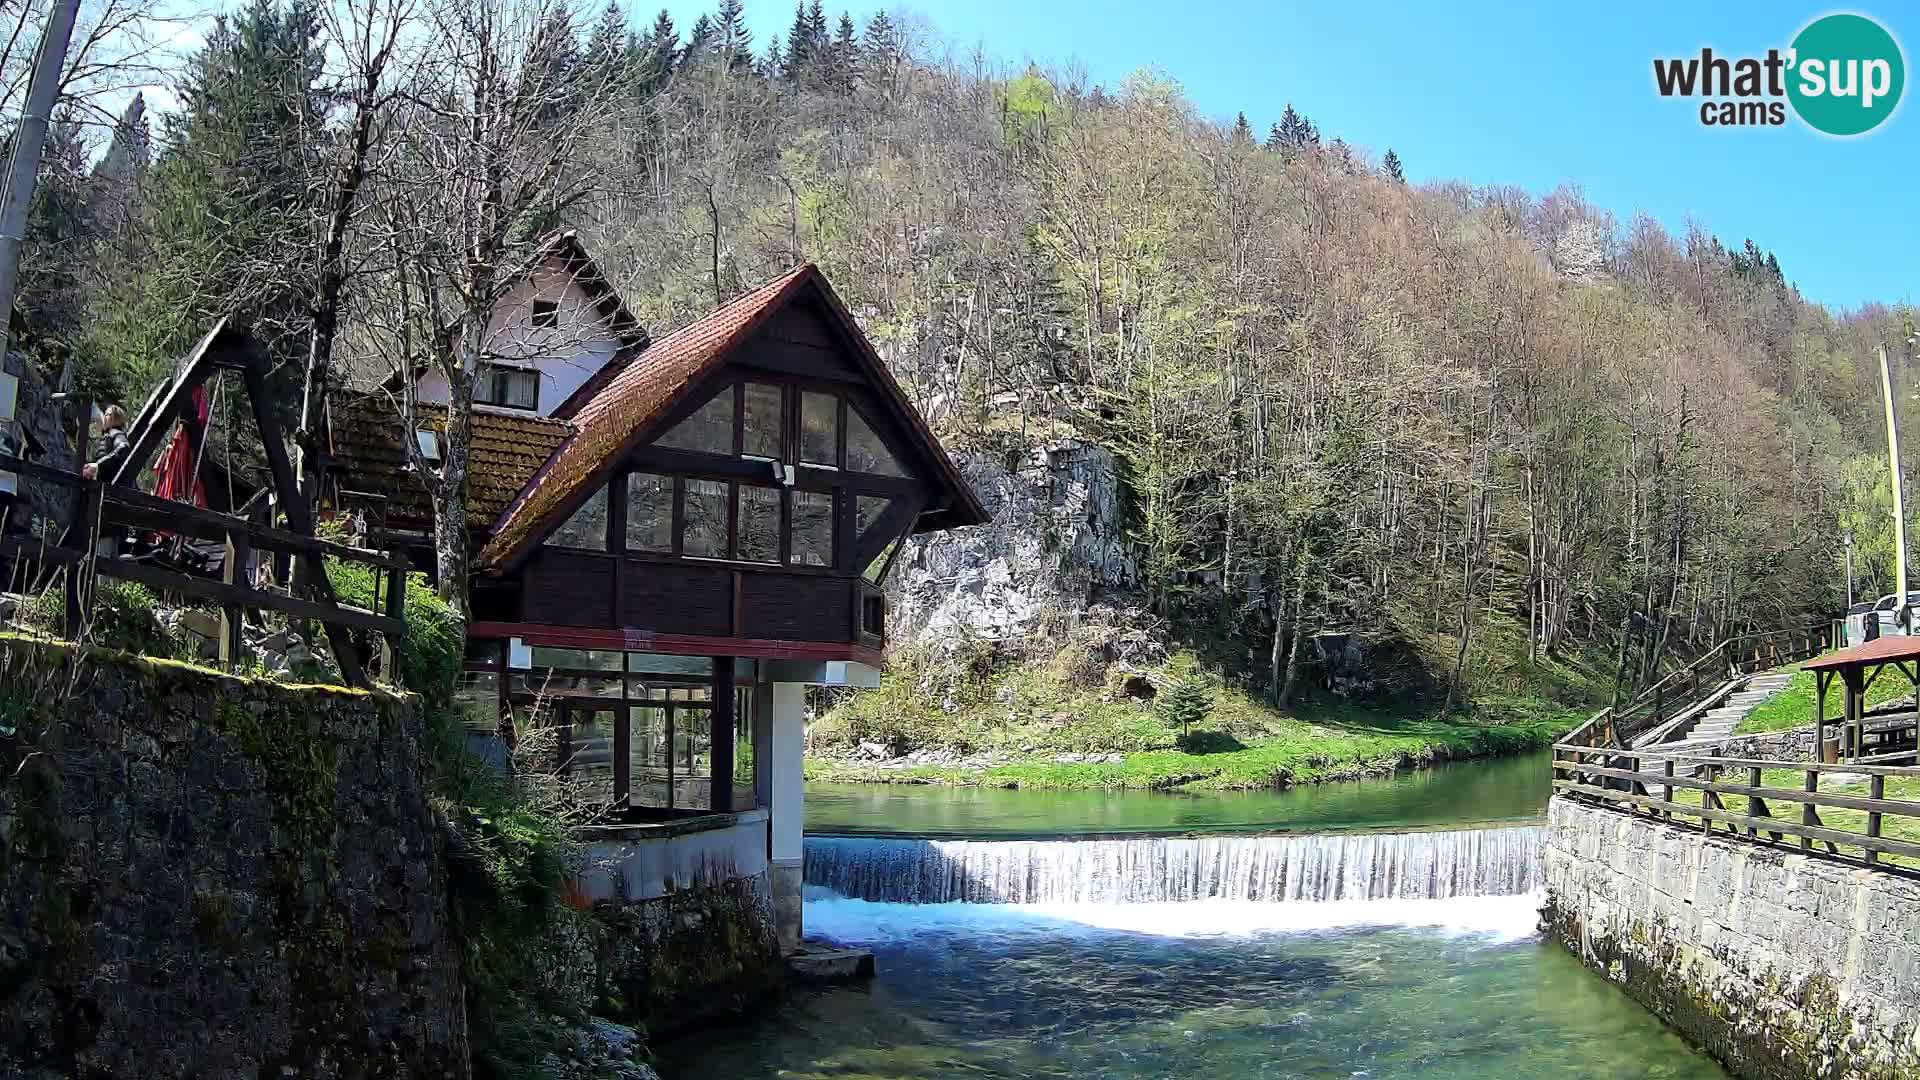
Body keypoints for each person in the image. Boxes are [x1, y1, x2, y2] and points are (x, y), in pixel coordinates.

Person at [81, 404, 129, 481]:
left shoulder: (116, 433)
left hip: (110, 484)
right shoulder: (107, 435)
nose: (104, 417)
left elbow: (123, 448)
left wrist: (98, 465)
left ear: (115, 418)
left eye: (107, 414)